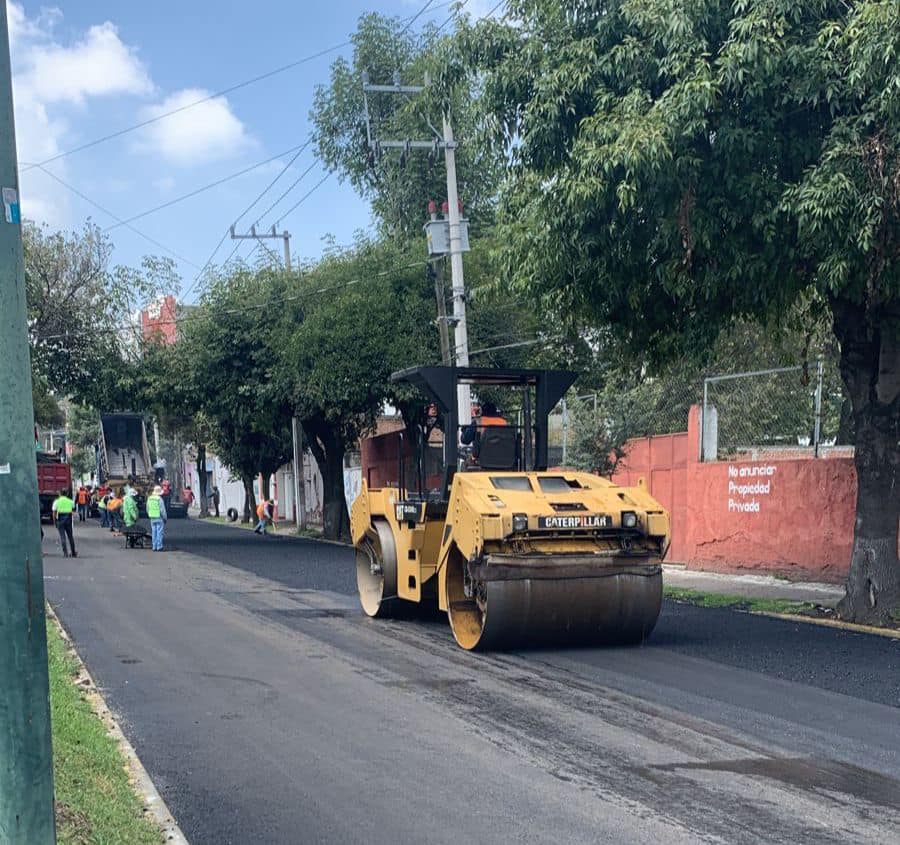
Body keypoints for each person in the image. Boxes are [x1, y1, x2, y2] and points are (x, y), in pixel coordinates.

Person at [52, 488, 77, 558]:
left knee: (62, 537)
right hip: (68, 520)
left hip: (60, 520)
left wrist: (55, 522)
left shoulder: (56, 502)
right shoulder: (71, 501)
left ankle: (65, 553)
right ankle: (73, 552)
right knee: (70, 537)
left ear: (59, 494)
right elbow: (73, 510)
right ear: (67, 494)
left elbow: (54, 513)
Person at [147, 485, 167, 551]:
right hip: (159, 517)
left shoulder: (149, 499)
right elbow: (162, 510)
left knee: (153, 532)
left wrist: (149, 514)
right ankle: (159, 546)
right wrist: (165, 518)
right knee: (159, 532)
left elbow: (147, 508)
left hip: (152, 517)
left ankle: (154, 546)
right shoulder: (159, 499)